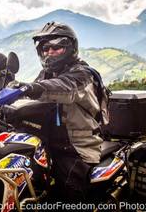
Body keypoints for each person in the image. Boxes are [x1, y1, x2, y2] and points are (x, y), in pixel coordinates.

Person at [9, 21, 109, 201]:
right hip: (50, 143)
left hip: (77, 147)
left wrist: (30, 88)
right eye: (45, 49)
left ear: (70, 48)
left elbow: (62, 88)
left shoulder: (83, 75)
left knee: (66, 195)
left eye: (56, 48)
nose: (49, 53)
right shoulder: (47, 74)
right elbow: (33, 95)